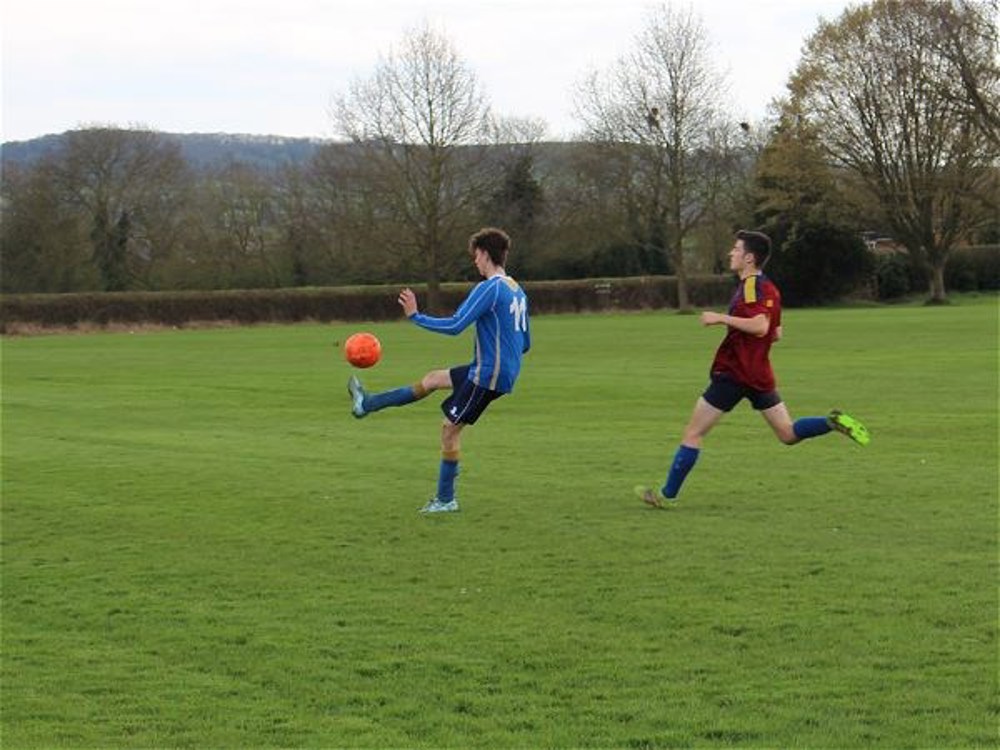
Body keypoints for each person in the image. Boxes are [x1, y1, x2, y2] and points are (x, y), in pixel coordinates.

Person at [635, 229, 870, 508]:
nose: (730, 254)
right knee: (787, 433)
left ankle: (666, 496)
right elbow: (776, 332)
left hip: (734, 373)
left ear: (749, 258)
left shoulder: (750, 286)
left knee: (693, 434)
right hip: (759, 373)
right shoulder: (770, 288)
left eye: (735, 249)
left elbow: (760, 327)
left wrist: (720, 318)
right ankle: (831, 422)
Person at [347, 227, 530, 514]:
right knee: (433, 379)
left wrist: (416, 317)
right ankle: (366, 404)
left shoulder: (489, 289)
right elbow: (526, 342)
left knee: (449, 430)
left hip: (489, 373)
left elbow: (456, 325)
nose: (475, 262)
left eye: (476, 256)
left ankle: (446, 499)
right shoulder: (516, 289)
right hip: (495, 369)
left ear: (484, 254)